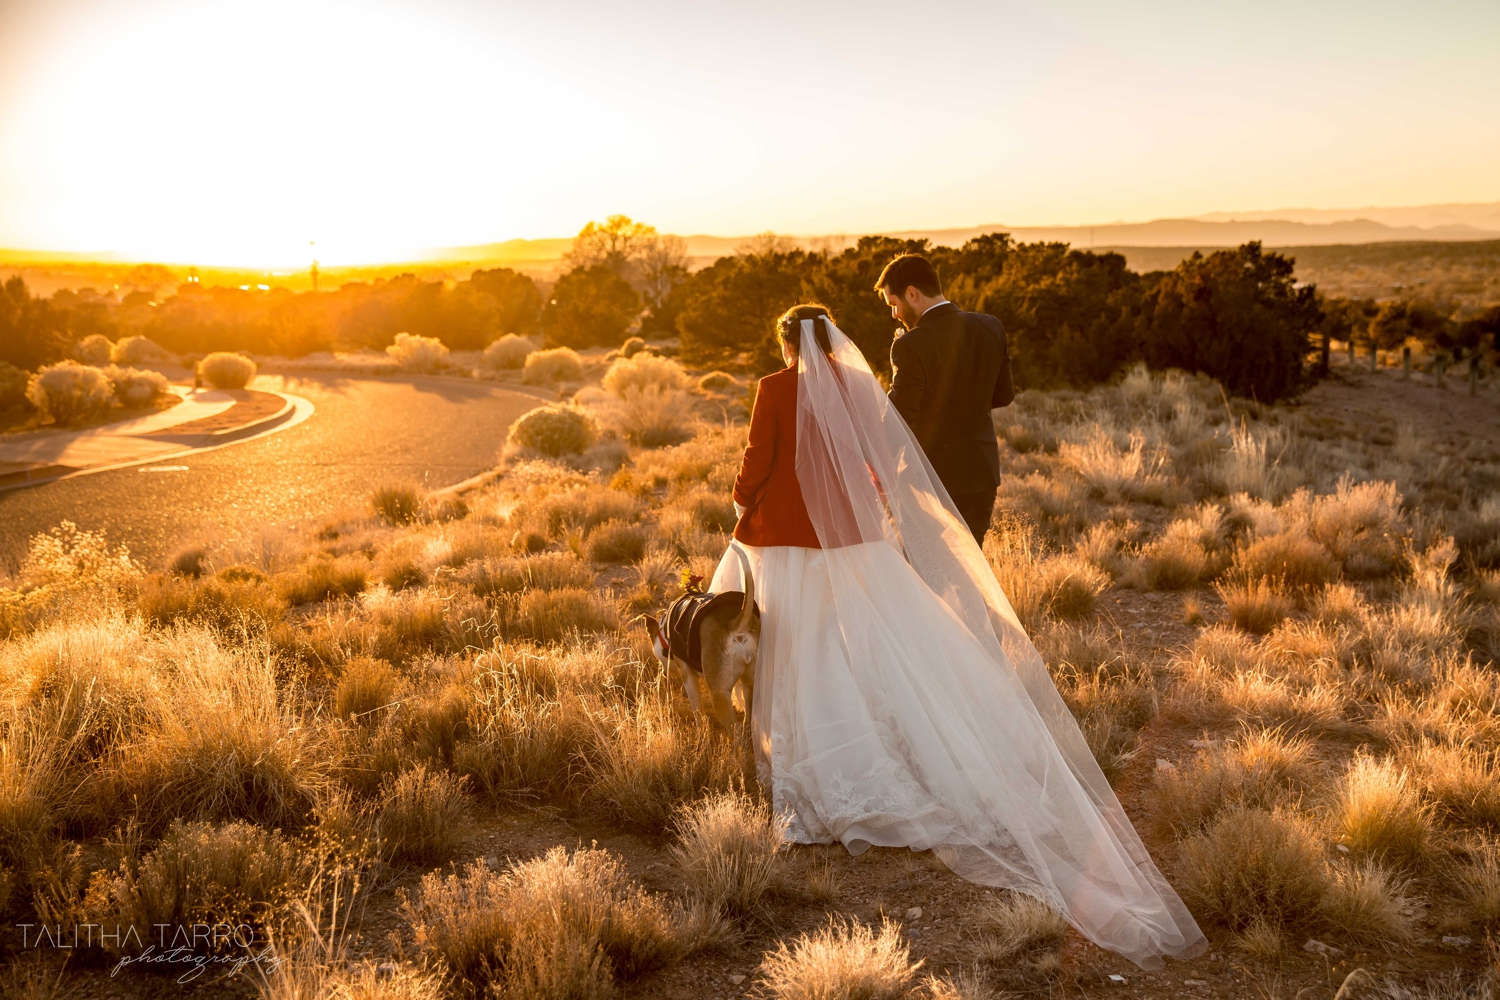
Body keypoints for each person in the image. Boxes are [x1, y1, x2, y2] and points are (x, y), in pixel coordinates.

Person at [717, 303, 1205, 970]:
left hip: (787, 538)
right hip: (855, 536)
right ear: (833, 339)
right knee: (857, 642)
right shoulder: (860, 385)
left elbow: (759, 456)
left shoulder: (776, 386)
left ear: (785, 342)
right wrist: (864, 500)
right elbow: (879, 456)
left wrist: (741, 502)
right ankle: (881, 746)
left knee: (800, 645)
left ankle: (810, 758)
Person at [877, 253, 1014, 540]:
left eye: (894, 304)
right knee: (972, 570)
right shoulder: (990, 326)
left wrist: (877, 469)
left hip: (932, 480)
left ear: (912, 293)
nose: (894, 314)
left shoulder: (910, 345)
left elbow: (899, 419)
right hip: (981, 475)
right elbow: (1004, 395)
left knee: (931, 574)